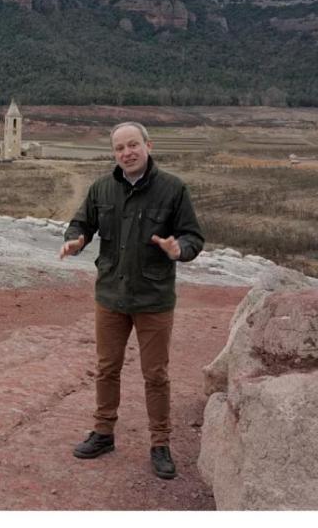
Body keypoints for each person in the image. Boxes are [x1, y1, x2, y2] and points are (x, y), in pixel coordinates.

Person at [59, 121, 204, 479]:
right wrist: (75, 240)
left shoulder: (173, 189)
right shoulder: (102, 189)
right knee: (107, 367)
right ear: (114, 153)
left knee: (155, 374)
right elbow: (81, 224)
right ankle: (103, 433)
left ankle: (160, 443)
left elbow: (192, 237)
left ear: (148, 145)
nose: (127, 152)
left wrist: (178, 249)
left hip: (153, 298)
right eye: (120, 147)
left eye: (133, 145)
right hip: (110, 295)